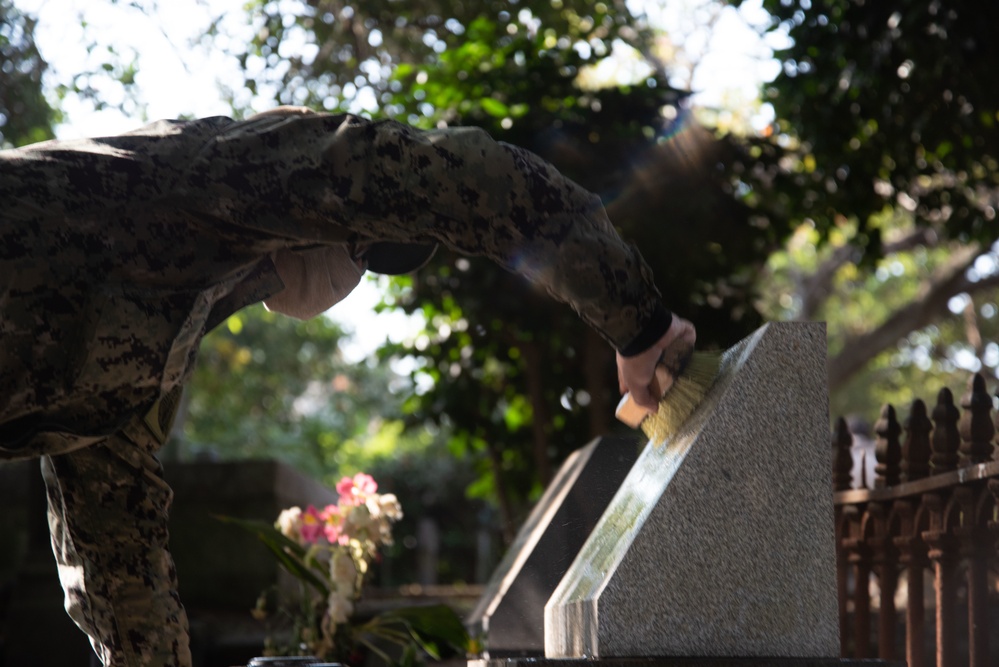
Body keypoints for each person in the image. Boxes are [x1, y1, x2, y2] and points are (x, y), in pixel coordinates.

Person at [0, 106, 695, 666]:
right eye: (363, 244)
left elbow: (116, 556)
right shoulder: (216, 172)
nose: (357, 270)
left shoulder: (158, 329)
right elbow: (471, 179)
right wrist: (638, 324)